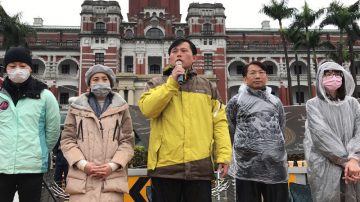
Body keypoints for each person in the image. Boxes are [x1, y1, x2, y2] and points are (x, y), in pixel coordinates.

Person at [138, 38, 232, 202]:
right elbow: (148, 110)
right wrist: (171, 84)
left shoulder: (207, 86)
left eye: (183, 50)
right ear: (170, 59)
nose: (178, 54)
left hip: (199, 166)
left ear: (194, 57)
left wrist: (223, 155)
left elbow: (220, 123)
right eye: (174, 52)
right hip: (165, 166)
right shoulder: (155, 84)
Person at [61, 64, 134, 202]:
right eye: (95, 79)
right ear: (89, 83)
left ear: (111, 82)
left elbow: (127, 141)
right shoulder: (76, 108)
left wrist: (112, 166)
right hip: (82, 181)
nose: (100, 82)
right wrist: (83, 164)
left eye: (104, 79)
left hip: (111, 181)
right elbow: (67, 140)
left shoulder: (122, 108)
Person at [0, 46, 60, 202]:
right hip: (2, 166)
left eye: (22, 66)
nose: (17, 70)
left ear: (30, 68)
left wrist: (40, 149)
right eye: (12, 66)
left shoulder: (45, 96)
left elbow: (53, 130)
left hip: (32, 167)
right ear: (6, 68)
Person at [226, 61, 288, 202]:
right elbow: (230, 128)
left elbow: (281, 127)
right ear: (245, 78)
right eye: (252, 73)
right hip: (247, 166)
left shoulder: (276, 102)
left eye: (261, 73)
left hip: (275, 165)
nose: (257, 76)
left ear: (267, 77)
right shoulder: (236, 102)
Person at [304, 61, 360, 202]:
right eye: (327, 74)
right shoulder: (313, 104)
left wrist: (354, 158)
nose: (333, 77)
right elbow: (321, 136)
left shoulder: (353, 103)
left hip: (353, 166)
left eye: (336, 74)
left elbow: (359, 132)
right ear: (320, 79)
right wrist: (347, 161)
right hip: (325, 164)